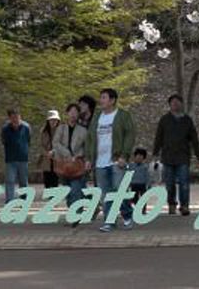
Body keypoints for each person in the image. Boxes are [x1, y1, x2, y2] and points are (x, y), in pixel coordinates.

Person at [84, 87, 136, 232]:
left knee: (119, 190)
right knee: (105, 193)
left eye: (104, 98)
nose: (101, 100)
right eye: (101, 97)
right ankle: (109, 221)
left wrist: (124, 156)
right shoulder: (97, 117)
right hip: (100, 162)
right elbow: (89, 138)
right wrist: (89, 158)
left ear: (112, 100)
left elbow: (129, 136)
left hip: (116, 159)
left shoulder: (123, 116)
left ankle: (127, 216)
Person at [152, 92, 199, 215]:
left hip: (183, 156)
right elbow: (159, 137)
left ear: (181, 104)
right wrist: (155, 153)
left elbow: (194, 138)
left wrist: (198, 154)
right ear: (169, 105)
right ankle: (172, 204)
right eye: (173, 103)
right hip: (168, 156)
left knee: (184, 182)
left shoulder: (187, 120)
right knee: (169, 184)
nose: (175, 104)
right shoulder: (165, 120)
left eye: (177, 102)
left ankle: (184, 206)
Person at [52, 102, 90, 223]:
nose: (73, 114)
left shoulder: (83, 131)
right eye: (71, 112)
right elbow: (55, 143)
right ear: (67, 113)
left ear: (79, 114)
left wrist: (78, 155)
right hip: (64, 164)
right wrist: (67, 154)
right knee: (68, 192)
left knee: (76, 190)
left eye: (76, 112)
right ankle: (74, 210)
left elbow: (87, 146)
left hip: (77, 164)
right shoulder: (61, 128)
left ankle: (76, 216)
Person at [0, 107, 32, 203]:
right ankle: (9, 199)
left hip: (23, 158)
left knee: (23, 181)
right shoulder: (5, 129)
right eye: (13, 117)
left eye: (18, 117)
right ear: (10, 118)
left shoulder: (26, 127)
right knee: (10, 180)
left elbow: (29, 139)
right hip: (10, 158)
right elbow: (3, 141)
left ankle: (24, 199)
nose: (16, 119)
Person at [39, 109, 61, 189]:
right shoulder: (43, 131)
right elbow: (40, 145)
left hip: (57, 159)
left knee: (55, 179)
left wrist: (54, 151)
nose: (53, 122)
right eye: (51, 120)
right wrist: (46, 153)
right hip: (46, 159)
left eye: (55, 120)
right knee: (47, 179)